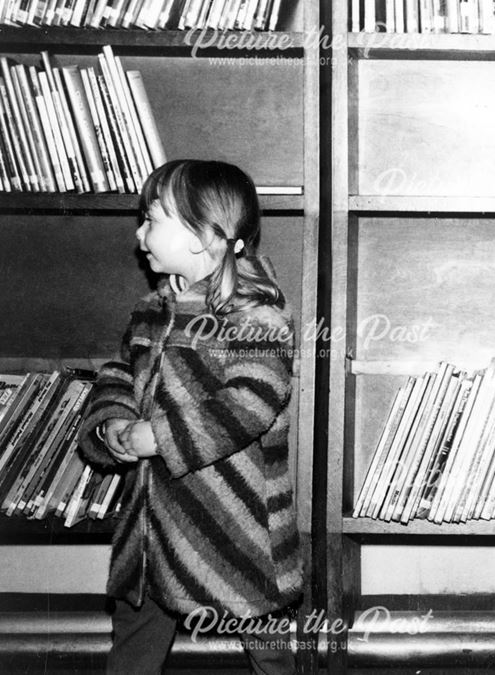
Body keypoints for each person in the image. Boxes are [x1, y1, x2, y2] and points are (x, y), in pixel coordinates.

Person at [78, 159, 303, 674]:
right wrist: (111, 425)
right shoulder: (149, 311)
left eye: (153, 219)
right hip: (152, 528)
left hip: (237, 524)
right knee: (134, 641)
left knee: (267, 646)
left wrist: (158, 436)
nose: (139, 234)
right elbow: (118, 375)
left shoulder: (255, 318)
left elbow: (250, 402)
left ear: (204, 237)